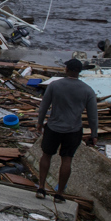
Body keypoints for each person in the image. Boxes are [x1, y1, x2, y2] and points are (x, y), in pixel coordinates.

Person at [35, 58, 97, 202]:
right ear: (79, 72)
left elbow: (44, 106)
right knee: (67, 160)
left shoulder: (54, 85)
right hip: (73, 130)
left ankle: (41, 188)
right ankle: (59, 194)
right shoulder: (88, 90)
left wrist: (39, 122)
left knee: (46, 155)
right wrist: (94, 134)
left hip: (53, 127)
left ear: (66, 69)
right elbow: (93, 116)